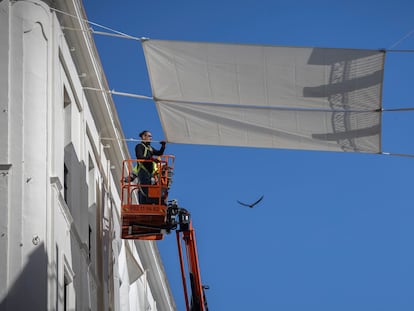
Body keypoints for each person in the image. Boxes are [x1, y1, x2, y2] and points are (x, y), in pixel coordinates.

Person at [134, 130, 166, 204]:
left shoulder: (150, 148)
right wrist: (150, 159)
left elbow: (159, 153)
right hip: (143, 171)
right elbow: (139, 157)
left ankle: (154, 202)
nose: (151, 138)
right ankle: (151, 202)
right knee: (146, 190)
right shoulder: (139, 146)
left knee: (151, 188)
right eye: (149, 136)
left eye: (151, 136)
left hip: (149, 173)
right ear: (143, 137)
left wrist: (163, 146)